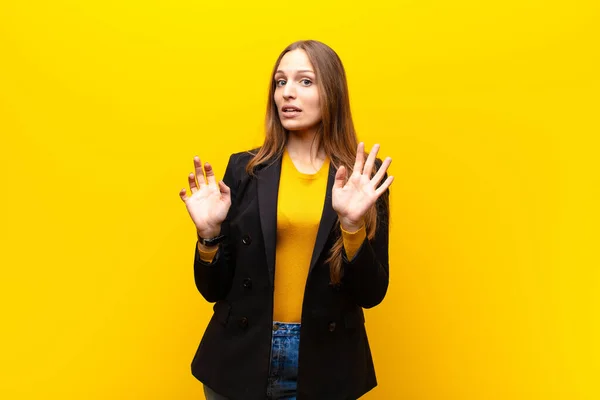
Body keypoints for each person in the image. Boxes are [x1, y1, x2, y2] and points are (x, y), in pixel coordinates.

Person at [179, 40, 394, 400]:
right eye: (280, 82)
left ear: (333, 91)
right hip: (241, 358)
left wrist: (353, 228)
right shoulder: (244, 170)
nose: (287, 93)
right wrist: (209, 235)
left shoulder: (362, 179)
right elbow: (212, 290)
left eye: (305, 81)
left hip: (326, 362)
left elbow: (372, 294)